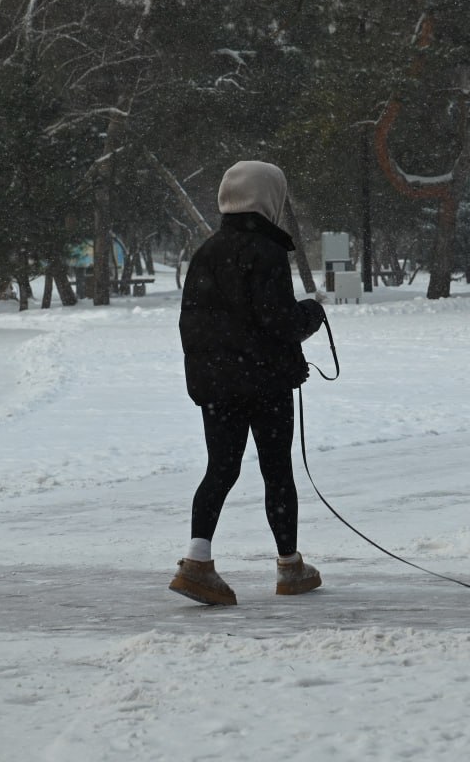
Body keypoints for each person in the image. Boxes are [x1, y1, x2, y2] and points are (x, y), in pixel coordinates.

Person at [169, 160, 327, 606]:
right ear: (269, 198)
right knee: (276, 470)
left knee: (221, 468)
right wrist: (310, 314)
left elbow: (196, 325)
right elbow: (277, 321)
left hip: (217, 386)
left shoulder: (207, 251)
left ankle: (197, 562)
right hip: (264, 384)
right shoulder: (266, 251)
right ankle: (290, 567)